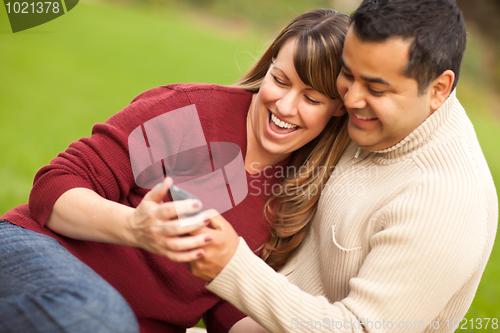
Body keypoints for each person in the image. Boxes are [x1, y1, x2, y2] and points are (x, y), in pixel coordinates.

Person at [0, 8, 351, 333]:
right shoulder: (194, 114)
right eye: (281, 80)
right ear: (268, 66)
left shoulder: (298, 197)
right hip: (37, 251)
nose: (285, 105)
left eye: (312, 99)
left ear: (338, 108)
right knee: (101, 316)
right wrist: (135, 228)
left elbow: (227, 315)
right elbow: (54, 186)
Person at [173, 0, 499, 332]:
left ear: (439, 88)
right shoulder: (385, 118)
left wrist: (232, 267)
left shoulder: (447, 203)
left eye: (375, 88)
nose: (351, 99)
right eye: (347, 73)